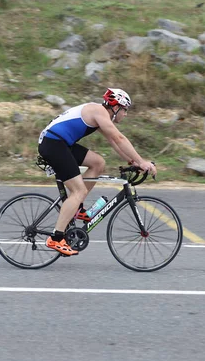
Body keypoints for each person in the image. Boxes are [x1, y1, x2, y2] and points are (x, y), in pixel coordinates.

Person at [38, 88, 157, 256]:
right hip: (54, 144)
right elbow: (119, 138)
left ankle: (77, 209)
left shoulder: (100, 114)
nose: (126, 114)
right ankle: (56, 238)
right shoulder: (99, 111)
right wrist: (143, 162)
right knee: (78, 190)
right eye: (125, 110)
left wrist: (134, 161)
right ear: (116, 107)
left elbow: (113, 141)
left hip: (60, 143)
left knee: (98, 163)